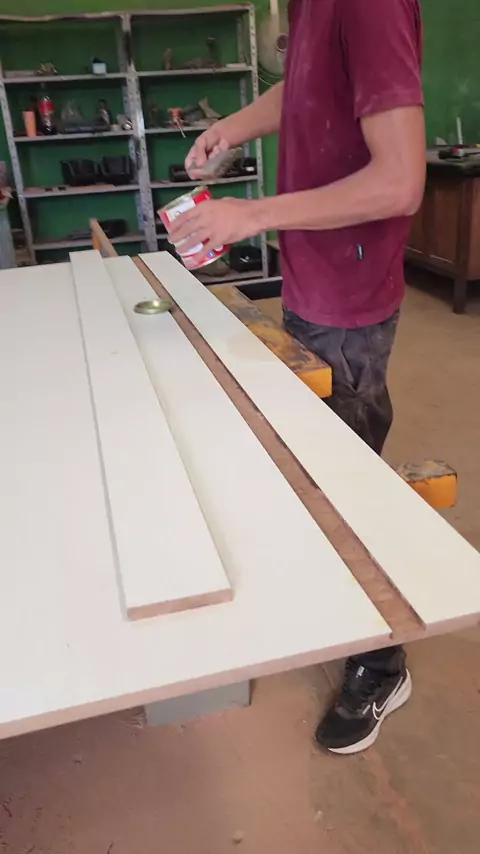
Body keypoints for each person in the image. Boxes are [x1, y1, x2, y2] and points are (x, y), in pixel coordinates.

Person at [170, 0, 425, 755]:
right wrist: (232, 128)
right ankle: (341, 607)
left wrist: (252, 215)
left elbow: (401, 181)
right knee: (319, 464)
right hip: (314, 276)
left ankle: (382, 664)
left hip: (348, 295)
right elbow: (310, 87)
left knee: (348, 482)